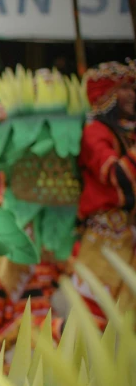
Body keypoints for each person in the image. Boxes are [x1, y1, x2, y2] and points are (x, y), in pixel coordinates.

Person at [74, 61, 136, 327]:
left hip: (126, 238)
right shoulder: (94, 133)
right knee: (95, 320)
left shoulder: (125, 133)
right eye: (124, 88)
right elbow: (117, 176)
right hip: (105, 241)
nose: (132, 94)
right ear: (108, 96)